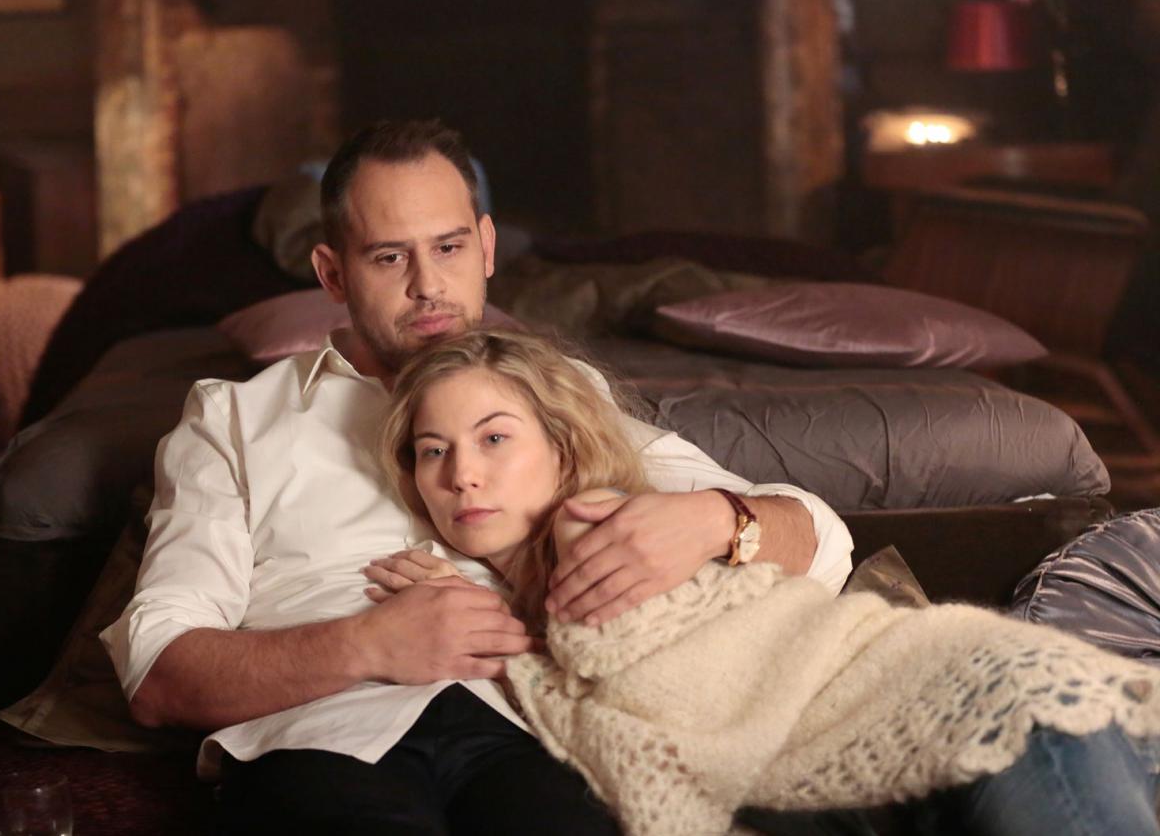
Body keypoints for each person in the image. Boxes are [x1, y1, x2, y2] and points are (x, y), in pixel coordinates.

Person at [100, 119, 853, 834]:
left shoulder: (552, 391)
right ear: (332, 272)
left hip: (534, 730)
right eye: (389, 257)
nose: (429, 285)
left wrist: (717, 518)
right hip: (322, 738)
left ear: (486, 248)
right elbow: (158, 673)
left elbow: (822, 546)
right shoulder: (232, 419)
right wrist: (366, 644)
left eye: (449, 247)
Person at [373, 327, 1160, 836]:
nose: (462, 474)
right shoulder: (531, 599)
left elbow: (647, 711)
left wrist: (493, 636)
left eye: (494, 438)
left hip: (988, 697)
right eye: (433, 450)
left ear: (563, 448)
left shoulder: (599, 525)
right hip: (912, 769)